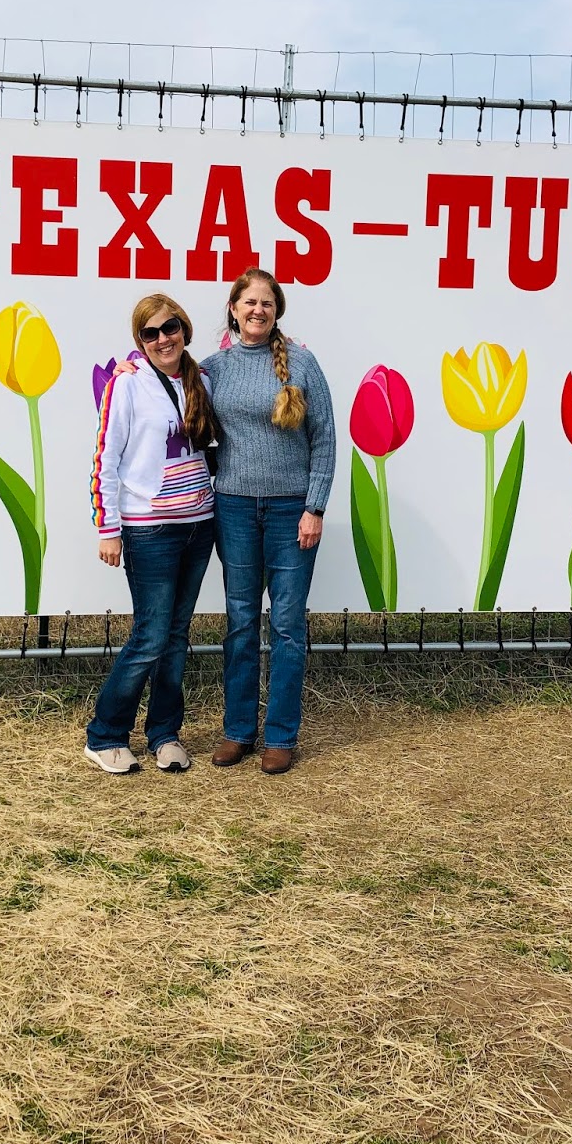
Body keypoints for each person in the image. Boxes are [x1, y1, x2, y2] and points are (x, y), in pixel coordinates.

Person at [200, 268, 335, 774]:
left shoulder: (301, 363)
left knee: (286, 625)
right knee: (239, 623)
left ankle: (280, 736)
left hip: (290, 512)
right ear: (233, 308)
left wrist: (314, 506)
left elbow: (324, 439)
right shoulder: (213, 367)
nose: (258, 310)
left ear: (277, 312)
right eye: (249, 301)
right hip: (233, 508)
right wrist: (130, 367)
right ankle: (238, 732)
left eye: (267, 303)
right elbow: (164, 380)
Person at [86, 295, 220, 774]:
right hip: (150, 529)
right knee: (150, 635)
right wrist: (109, 529)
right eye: (151, 332)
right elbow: (107, 459)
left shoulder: (202, 379)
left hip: (198, 526)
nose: (163, 338)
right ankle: (105, 734)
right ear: (139, 340)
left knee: (177, 636)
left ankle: (164, 732)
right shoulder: (127, 384)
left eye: (172, 327)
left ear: (185, 328)